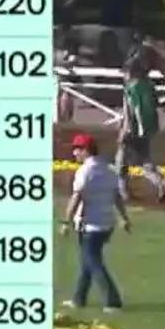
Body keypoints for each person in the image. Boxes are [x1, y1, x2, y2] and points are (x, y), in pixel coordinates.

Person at [61, 133, 131, 312]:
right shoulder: (108, 170)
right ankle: (79, 299)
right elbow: (116, 197)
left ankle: (112, 301)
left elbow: (76, 197)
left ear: (86, 150)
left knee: (93, 263)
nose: (74, 153)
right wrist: (123, 218)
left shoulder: (84, 172)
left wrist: (65, 222)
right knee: (87, 262)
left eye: (77, 149)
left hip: (89, 225)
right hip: (106, 224)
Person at [117, 48, 165, 202]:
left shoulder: (131, 88)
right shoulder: (149, 84)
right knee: (144, 158)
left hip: (133, 128)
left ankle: (123, 191)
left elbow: (133, 110)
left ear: (131, 72)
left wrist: (125, 130)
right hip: (149, 128)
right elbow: (157, 103)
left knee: (121, 159)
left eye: (126, 73)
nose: (124, 75)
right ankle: (160, 181)